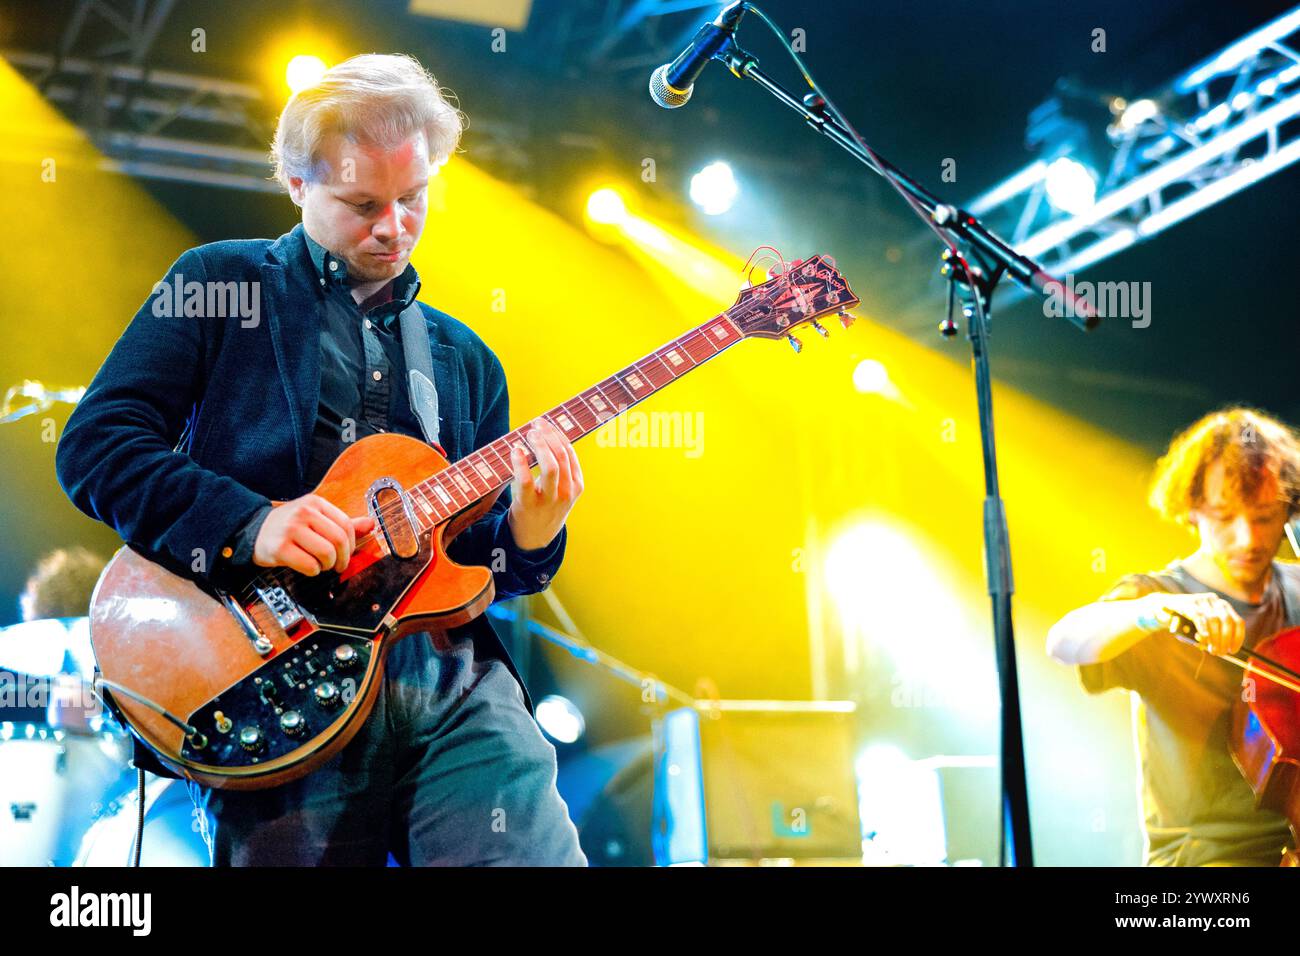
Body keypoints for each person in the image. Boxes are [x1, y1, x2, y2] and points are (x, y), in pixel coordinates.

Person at [54, 53, 588, 866]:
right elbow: (98, 445)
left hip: (441, 679)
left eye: (414, 201)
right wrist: (250, 523)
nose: (393, 227)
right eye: (362, 204)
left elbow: (482, 571)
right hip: (268, 675)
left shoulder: (465, 359)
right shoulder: (219, 283)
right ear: (299, 186)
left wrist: (531, 527)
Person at [1047, 406, 1300, 866]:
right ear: (1193, 510)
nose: (1247, 538)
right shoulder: (1159, 597)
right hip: (1207, 858)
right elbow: (1063, 643)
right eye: (1225, 517)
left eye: (1264, 517)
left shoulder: (1298, 588)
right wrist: (1150, 614)